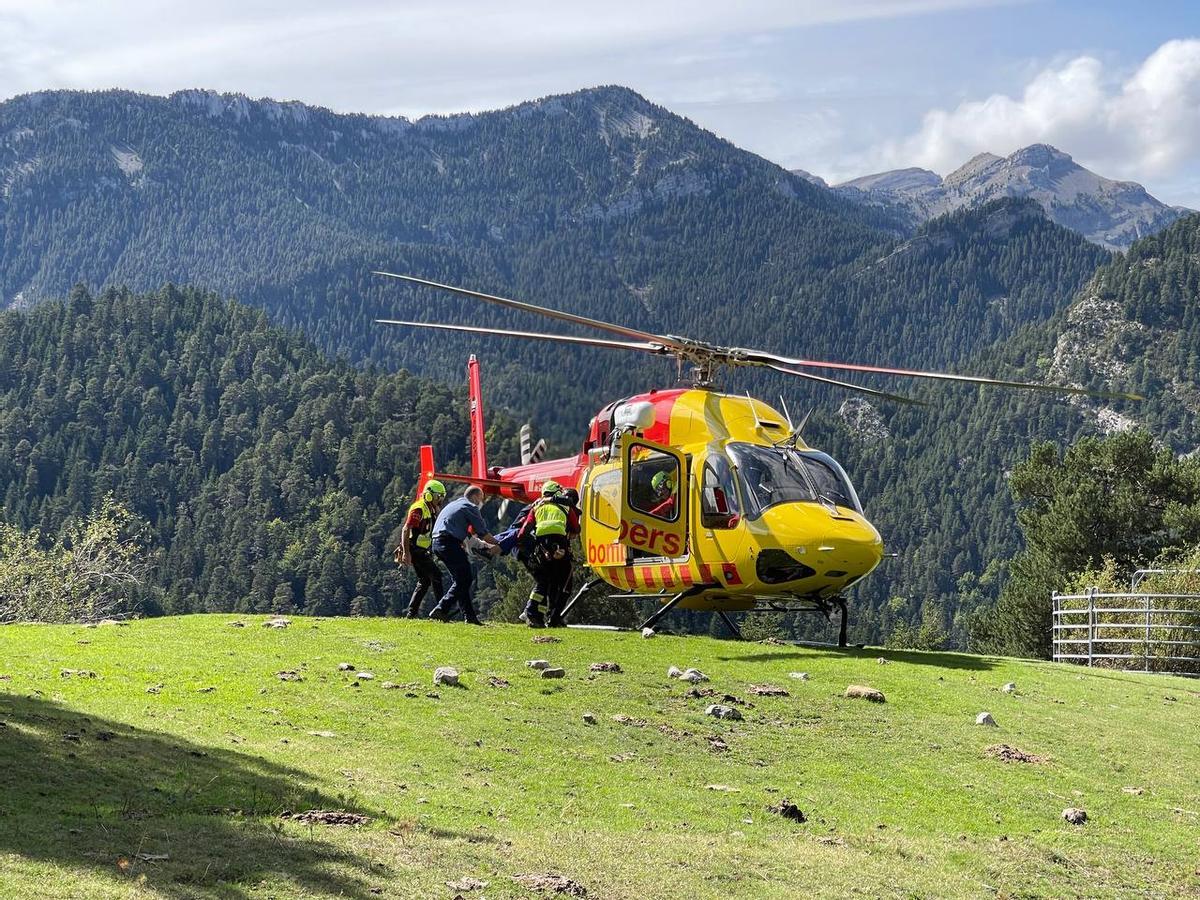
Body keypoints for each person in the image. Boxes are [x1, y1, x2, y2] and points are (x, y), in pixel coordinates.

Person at [427, 485, 501, 624]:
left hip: (437, 543)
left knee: (461, 580)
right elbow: (483, 533)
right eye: (481, 498)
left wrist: (482, 546)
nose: (481, 502)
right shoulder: (470, 507)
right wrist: (500, 544)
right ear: (475, 496)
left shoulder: (455, 504)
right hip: (449, 543)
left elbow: (469, 537)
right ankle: (441, 608)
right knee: (465, 578)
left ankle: (469, 617)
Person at [518, 481, 580, 628]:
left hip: (542, 550)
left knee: (548, 582)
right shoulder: (565, 506)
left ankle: (539, 615)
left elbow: (525, 529)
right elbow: (576, 528)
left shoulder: (536, 506)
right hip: (560, 547)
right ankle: (552, 617)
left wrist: (525, 546)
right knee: (566, 584)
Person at [394, 479, 447, 619]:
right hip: (415, 549)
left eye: (442, 496)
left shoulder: (431, 509)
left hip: (421, 549)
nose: (440, 499)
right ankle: (441, 611)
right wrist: (406, 553)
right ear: (429, 495)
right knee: (436, 576)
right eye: (438, 496)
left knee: (424, 580)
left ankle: (411, 613)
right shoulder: (419, 509)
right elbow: (406, 529)